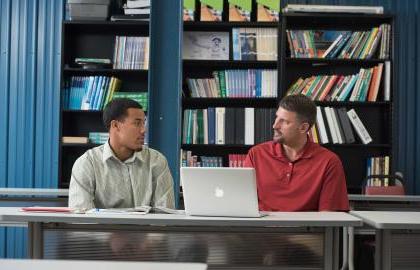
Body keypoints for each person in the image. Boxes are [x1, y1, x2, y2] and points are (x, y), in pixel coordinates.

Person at [244, 94, 349, 211]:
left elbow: (329, 217)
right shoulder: (256, 154)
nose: (275, 125)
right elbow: (242, 203)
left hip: (305, 229)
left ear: (303, 128)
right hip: (260, 228)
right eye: (276, 117)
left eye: (284, 121)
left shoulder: (329, 162)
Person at [69, 98, 175, 210]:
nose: (144, 130)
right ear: (115, 125)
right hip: (102, 228)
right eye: (137, 123)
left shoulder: (157, 161)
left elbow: (165, 214)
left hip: (145, 228)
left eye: (144, 123)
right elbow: (81, 215)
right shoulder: (87, 163)